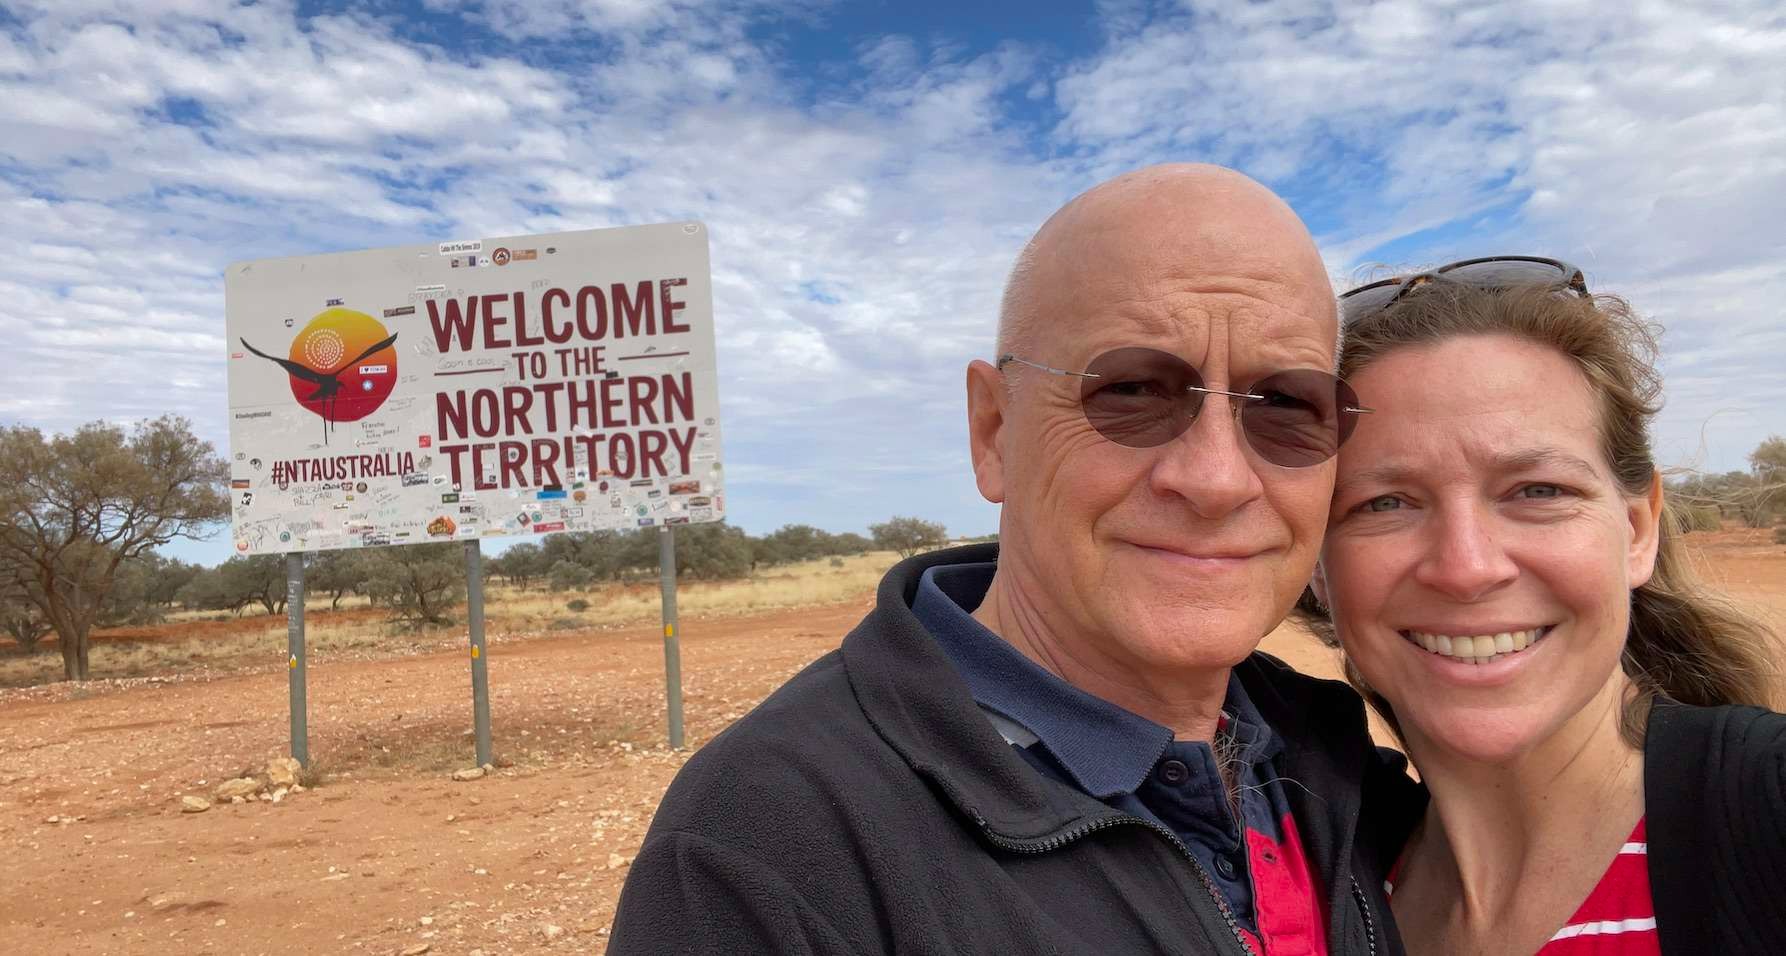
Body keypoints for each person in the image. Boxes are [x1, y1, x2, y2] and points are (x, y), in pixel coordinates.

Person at [609, 163, 1417, 955]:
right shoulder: (776, 846)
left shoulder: (1332, 758)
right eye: (1132, 392)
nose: (1214, 479)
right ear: (994, 431)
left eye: (1285, 406)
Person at [1306, 263, 1786, 954]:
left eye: (1537, 490)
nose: (1467, 568)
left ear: (1638, 529)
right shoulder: (1320, 896)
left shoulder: (1768, 813)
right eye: (1385, 503)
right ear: (1318, 568)